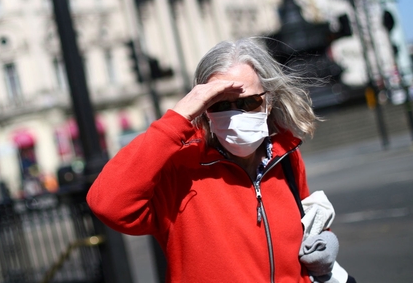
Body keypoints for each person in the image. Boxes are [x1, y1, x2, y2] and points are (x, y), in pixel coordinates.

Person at [87, 38, 340, 282]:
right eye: (219, 105)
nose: (235, 114)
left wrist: (322, 242)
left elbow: (306, 226)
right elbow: (107, 203)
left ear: (269, 100)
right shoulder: (179, 168)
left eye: (248, 101)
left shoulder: (286, 155)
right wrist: (180, 116)